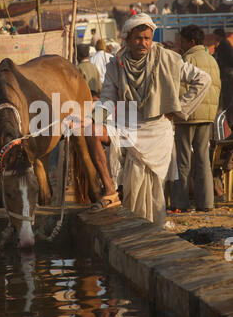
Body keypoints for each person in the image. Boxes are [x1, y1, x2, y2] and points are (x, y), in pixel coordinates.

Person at [84, 14, 211, 226]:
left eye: (147, 38)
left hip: (157, 130)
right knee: (91, 132)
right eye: (138, 38)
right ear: (127, 38)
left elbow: (203, 80)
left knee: (152, 189)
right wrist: (94, 120)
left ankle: (152, 227)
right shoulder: (116, 64)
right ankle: (110, 191)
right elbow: (106, 98)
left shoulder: (167, 59)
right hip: (128, 127)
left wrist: (179, 110)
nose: (143, 43)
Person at [170, 25, 221, 213]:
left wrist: (176, 110)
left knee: (183, 161)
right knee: (203, 160)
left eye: (182, 41)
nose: (180, 44)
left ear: (191, 42)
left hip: (188, 115)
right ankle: (206, 203)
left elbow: (179, 89)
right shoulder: (211, 60)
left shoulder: (187, 59)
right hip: (207, 116)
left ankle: (180, 203)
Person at [213, 28, 233, 110]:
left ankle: (227, 110)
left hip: (226, 72)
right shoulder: (222, 44)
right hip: (225, 71)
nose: (214, 37)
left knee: (227, 93)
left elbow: (229, 58)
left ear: (218, 35)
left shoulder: (225, 44)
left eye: (215, 35)